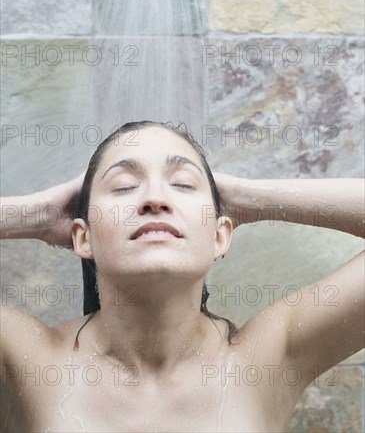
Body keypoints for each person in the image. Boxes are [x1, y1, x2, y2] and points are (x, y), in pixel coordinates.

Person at [1, 120, 364, 433]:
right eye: (125, 186)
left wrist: (248, 198)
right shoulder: (26, 359)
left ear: (220, 235)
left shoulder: (267, 359)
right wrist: (35, 214)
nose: (155, 198)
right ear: (83, 237)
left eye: (184, 185)